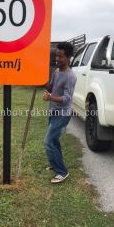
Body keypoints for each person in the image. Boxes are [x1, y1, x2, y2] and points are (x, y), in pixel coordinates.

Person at [43, 42, 76, 184]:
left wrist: (50, 97)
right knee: (54, 141)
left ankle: (62, 172)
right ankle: (56, 164)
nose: (57, 58)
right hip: (53, 111)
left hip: (62, 114)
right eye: (56, 55)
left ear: (68, 57)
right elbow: (51, 87)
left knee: (48, 142)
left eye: (60, 56)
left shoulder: (70, 76)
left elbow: (67, 98)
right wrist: (41, 80)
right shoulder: (57, 71)